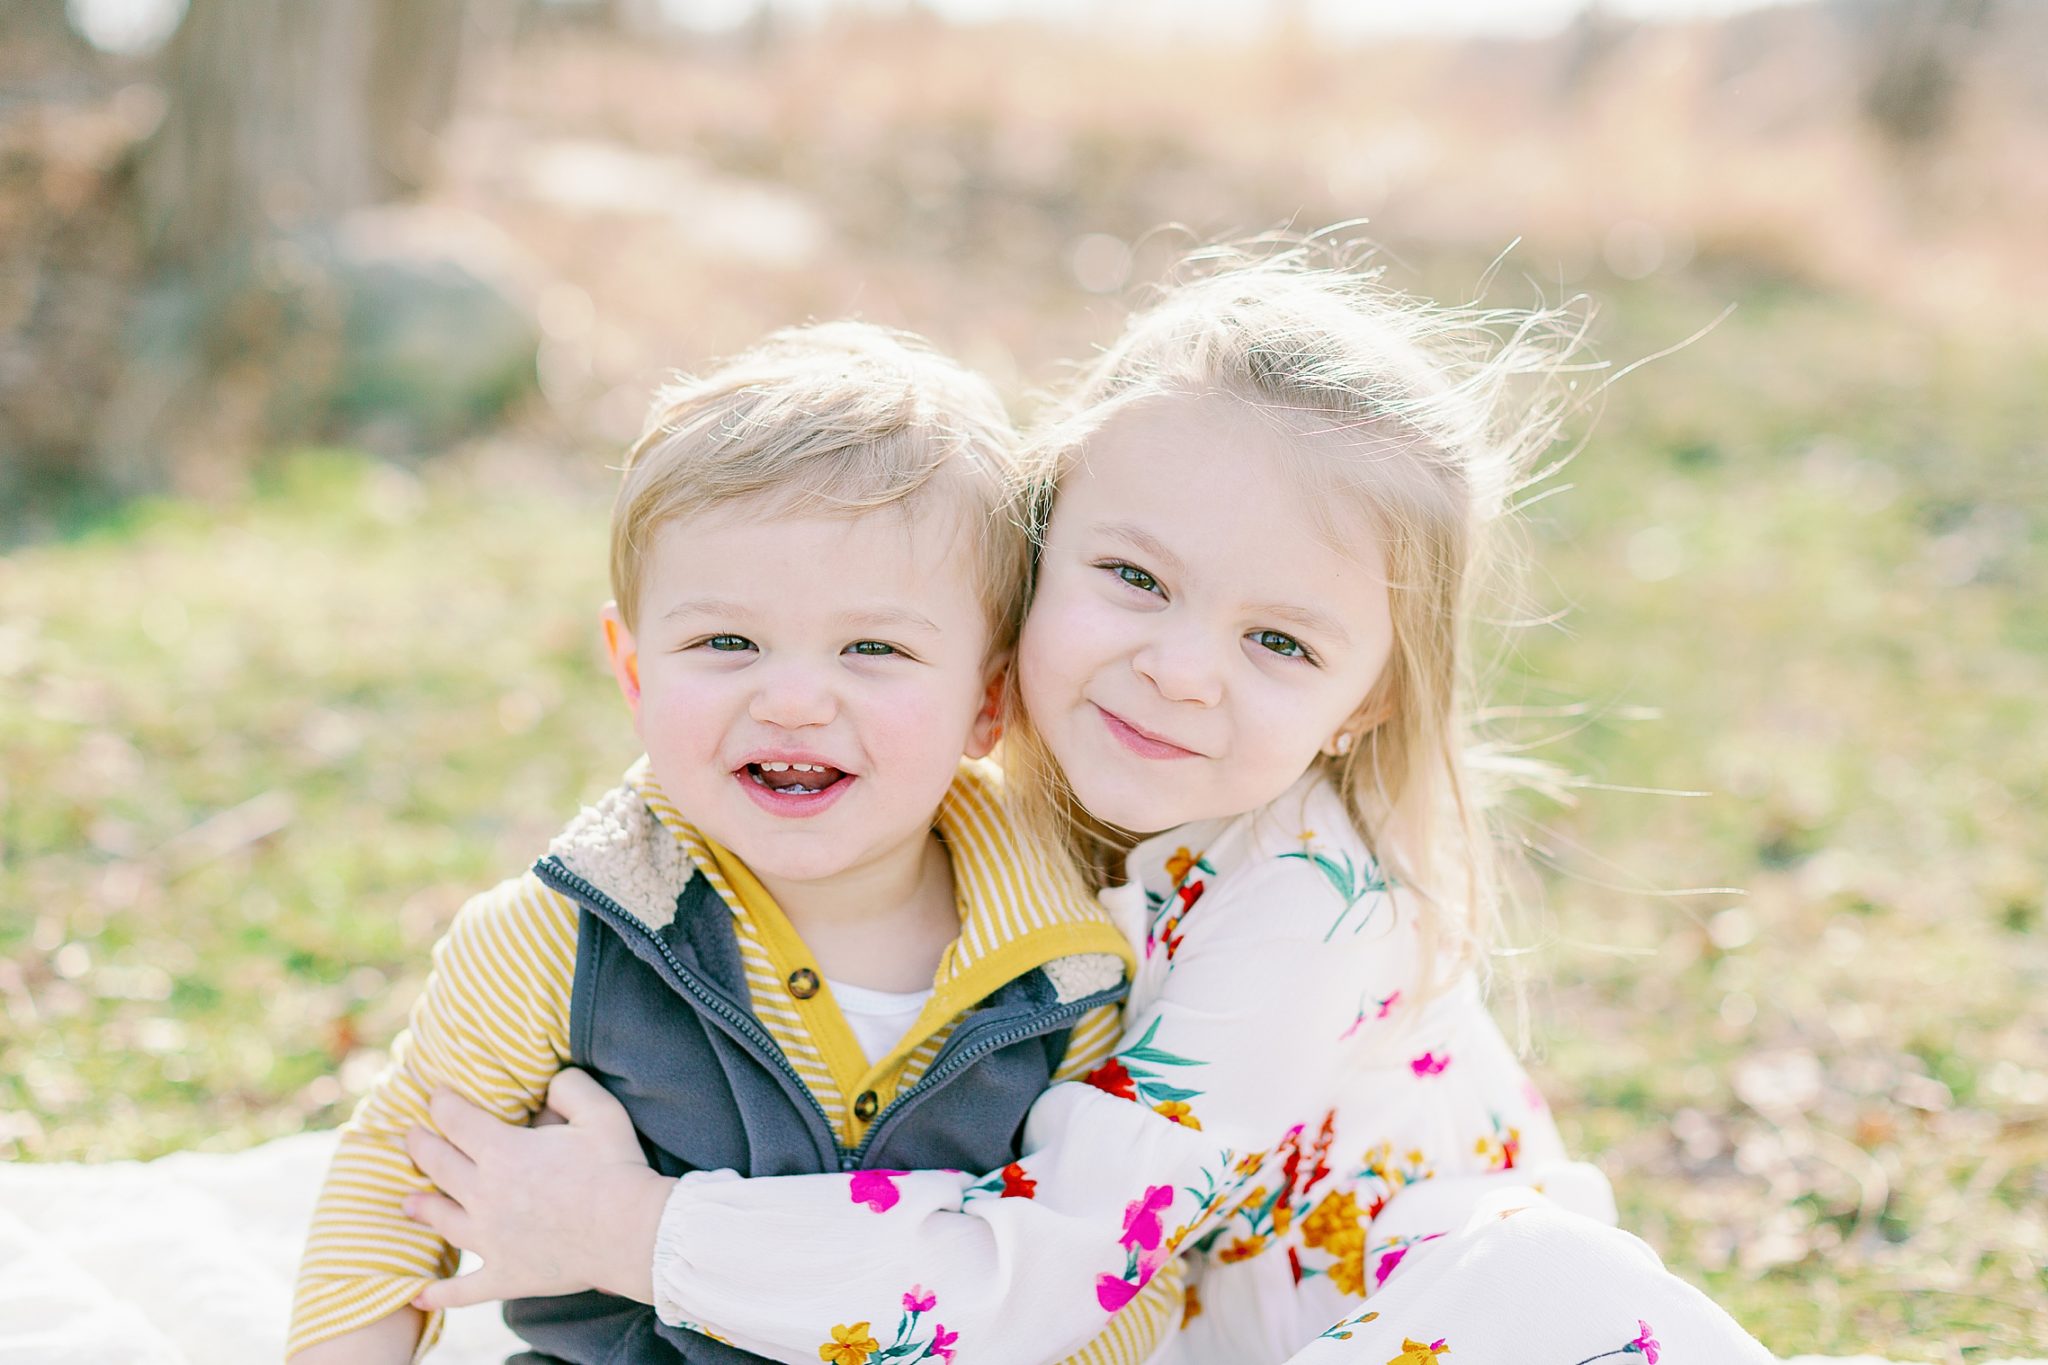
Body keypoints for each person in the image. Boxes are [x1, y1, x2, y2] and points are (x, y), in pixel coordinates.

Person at [403, 249, 1776, 1363]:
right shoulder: (980, 794)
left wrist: (640, 1231)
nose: (1179, 673)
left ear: (1364, 701)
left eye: (1280, 643)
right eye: (1134, 577)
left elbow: (1050, 1270)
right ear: (1031, 560)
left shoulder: (1305, 907)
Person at [285, 321, 1189, 1364]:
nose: (795, 699)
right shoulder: (557, 939)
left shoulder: (1062, 966)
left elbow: (1106, 1277)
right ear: (632, 671)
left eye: (872, 648)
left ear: (987, 701)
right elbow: (397, 1182)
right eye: (726, 642)